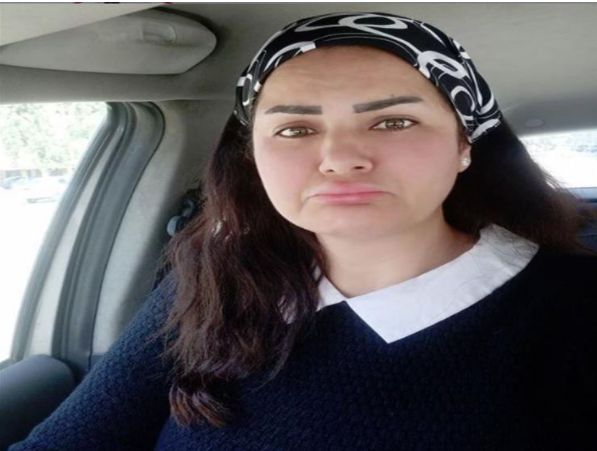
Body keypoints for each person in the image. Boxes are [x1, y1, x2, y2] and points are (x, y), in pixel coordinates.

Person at [9, 11, 597, 451]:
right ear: (252, 156)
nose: (340, 159)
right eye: (294, 130)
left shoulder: (574, 306)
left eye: (393, 121)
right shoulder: (211, 282)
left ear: (465, 144)